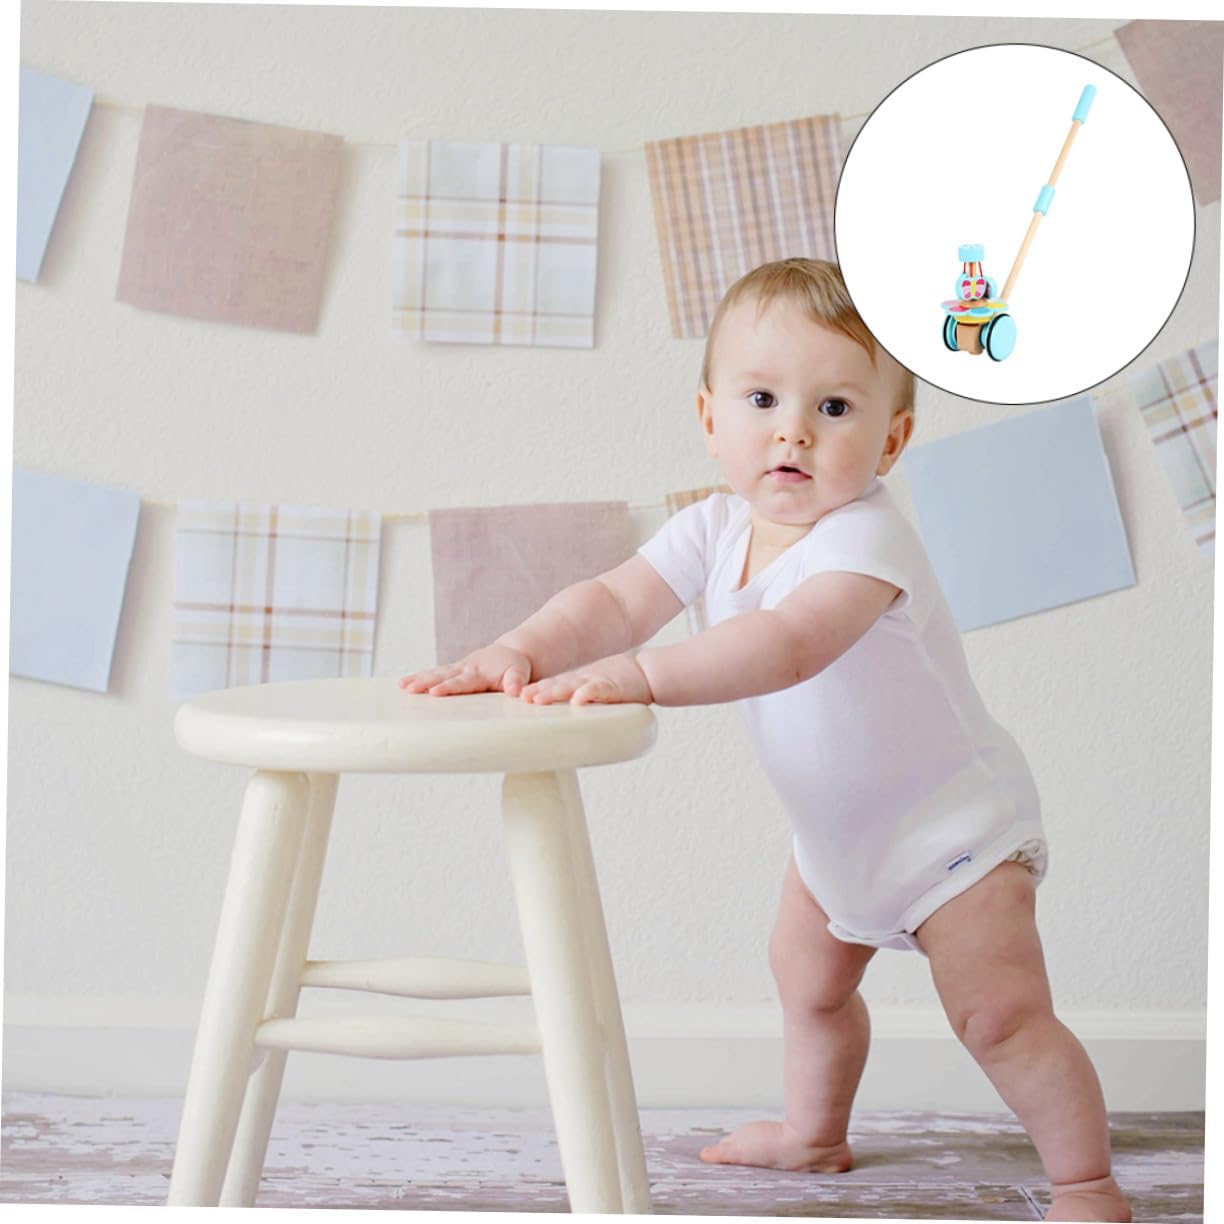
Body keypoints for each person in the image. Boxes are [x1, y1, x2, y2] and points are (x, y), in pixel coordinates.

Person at [399, 258, 1132, 1223]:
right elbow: (612, 601)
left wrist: (642, 675)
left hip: (956, 835)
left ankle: (1086, 1181)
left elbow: (788, 646)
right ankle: (814, 1134)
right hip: (836, 842)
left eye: (834, 407)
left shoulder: (865, 542)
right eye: (761, 400)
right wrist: (519, 649)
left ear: (892, 437)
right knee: (808, 989)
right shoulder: (711, 530)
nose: (793, 431)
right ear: (710, 420)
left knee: (998, 1018)